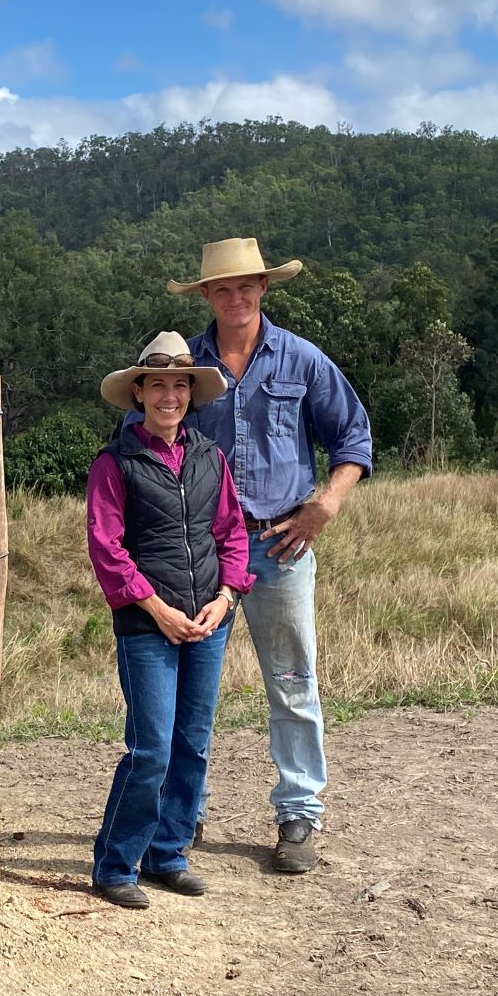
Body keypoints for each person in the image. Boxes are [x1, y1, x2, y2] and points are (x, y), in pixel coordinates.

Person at [163, 237, 373, 874]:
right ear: (205, 295)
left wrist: (325, 504)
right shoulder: (180, 366)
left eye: (246, 285)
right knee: (189, 690)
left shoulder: (303, 361)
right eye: (222, 287)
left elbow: (353, 439)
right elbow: (140, 441)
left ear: (263, 289)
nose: (235, 297)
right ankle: (180, 813)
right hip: (199, 551)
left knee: (291, 682)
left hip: (281, 545)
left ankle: (299, 815)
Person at [86, 331, 255, 909]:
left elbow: (231, 532)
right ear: (139, 393)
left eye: (180, 385)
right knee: (151, 747)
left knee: (193, 744)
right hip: (146, 625)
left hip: (209, 618)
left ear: (191, 394)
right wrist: (156, 608)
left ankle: (168, 855)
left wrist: (227, 597)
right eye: (158, 384)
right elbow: (107, 547)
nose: (170, 396)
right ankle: (113, 864)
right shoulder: (117, 463)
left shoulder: (210, 457)